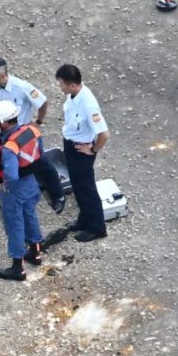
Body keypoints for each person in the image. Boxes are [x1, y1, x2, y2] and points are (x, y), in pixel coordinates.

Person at [0, 57, 65, 213]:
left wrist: (38, 122)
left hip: (23, 133)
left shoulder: (22, 87)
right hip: (2, 129)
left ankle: (58, 196)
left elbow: (42, 102)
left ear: (3, 76)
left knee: (40, 163)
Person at [0, 101, 46, 281]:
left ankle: (17, 268)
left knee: (15, 225)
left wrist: (5, 185)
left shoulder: (9, 147)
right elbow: (41, 154)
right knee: (30, 215)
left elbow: (12, 176)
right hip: (31, 183)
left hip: (15, 190)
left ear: (4, 123)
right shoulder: (33, 131)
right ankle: (35, 253)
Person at [56, 64, 109, 242]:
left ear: (72, 85)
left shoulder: (88, 104)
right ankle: (84, 219)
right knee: (78, 186)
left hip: (82, 150)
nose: (60, 87)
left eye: (61, 84)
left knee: (87, 188)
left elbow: (104, 134)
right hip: (71, 145)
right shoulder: (73, 95)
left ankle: (97, 227)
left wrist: (93, 150)